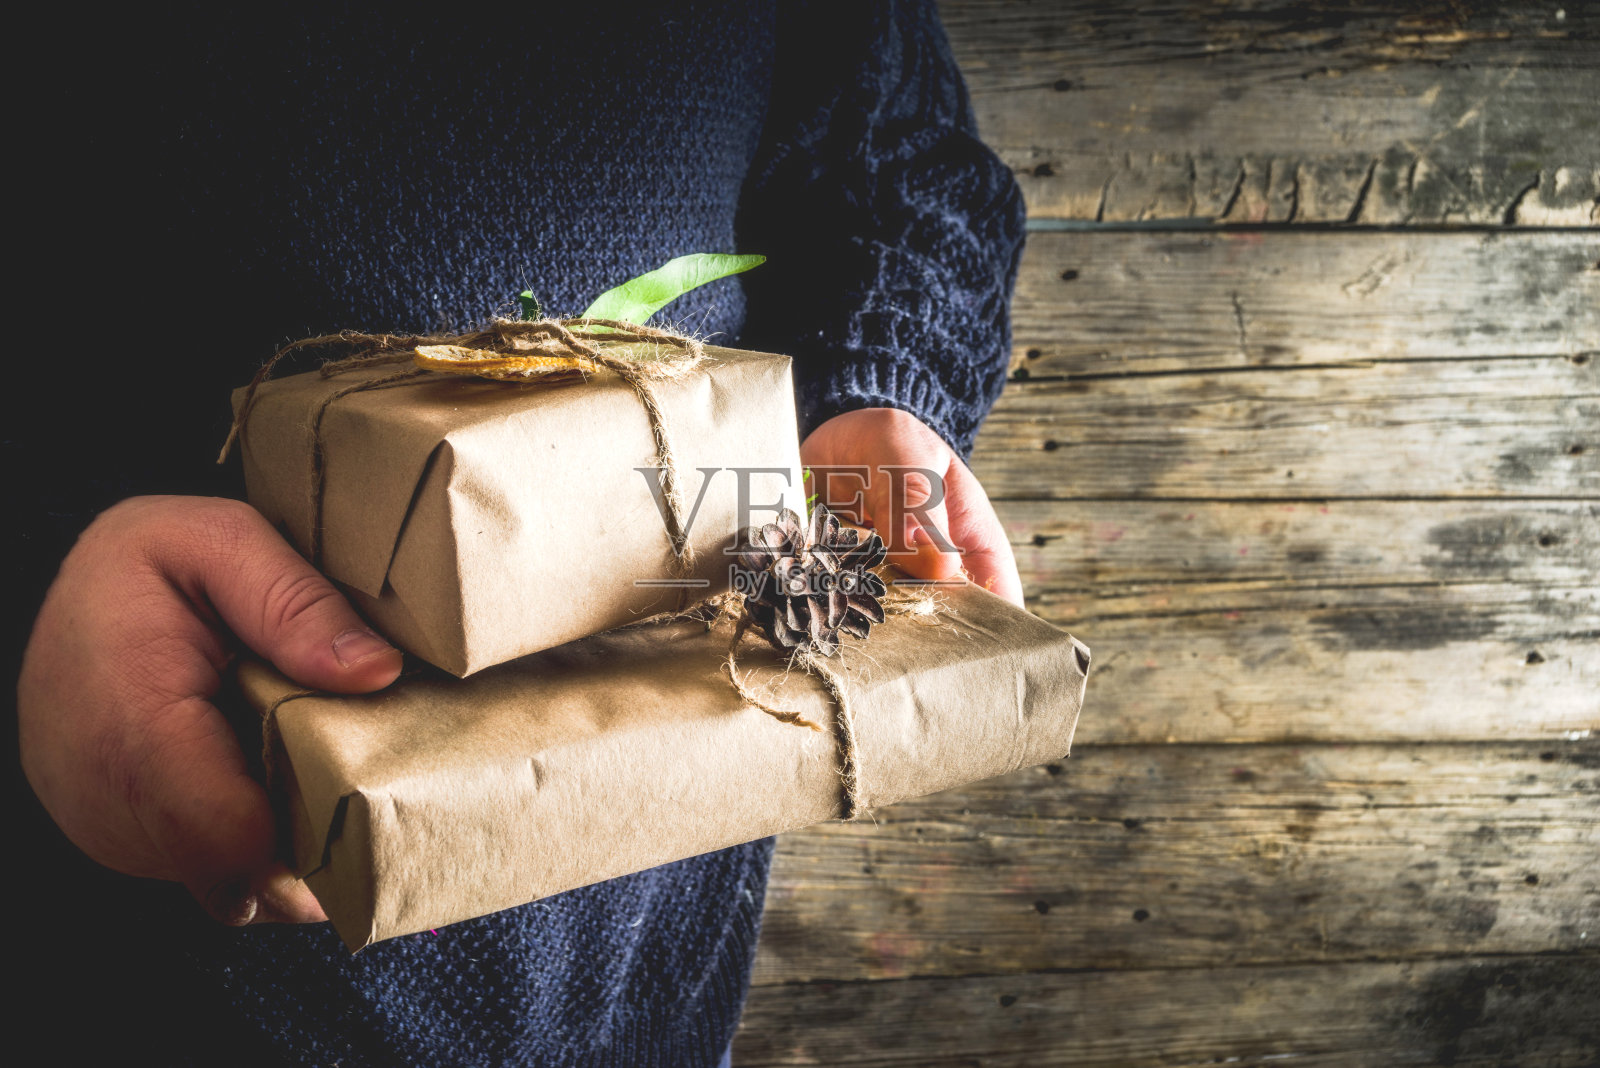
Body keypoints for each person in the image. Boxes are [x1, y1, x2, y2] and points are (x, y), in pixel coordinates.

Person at [10, 3, 1024, 1064]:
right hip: (137, 944)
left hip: (646, 952)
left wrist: (880, 391)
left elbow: (910, 171)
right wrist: (36, 571)